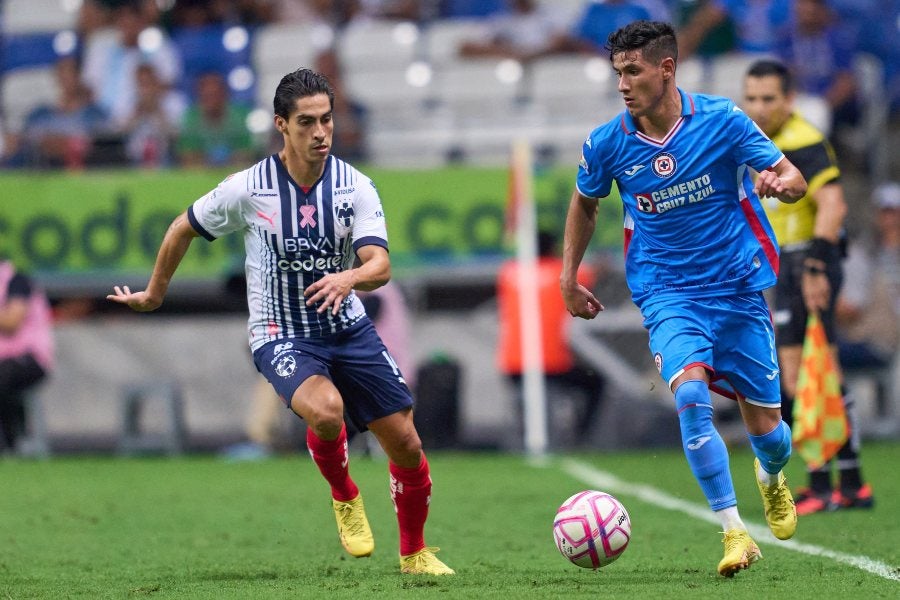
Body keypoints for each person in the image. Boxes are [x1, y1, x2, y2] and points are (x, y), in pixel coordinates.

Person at [107, 68, 454, 575]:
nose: (320, 133)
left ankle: (414, 554)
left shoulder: (355, 187)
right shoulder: (248, 188)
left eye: (327, 121)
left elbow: (380, 266)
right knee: (328, 410)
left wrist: (349, 278)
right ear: (281, 126)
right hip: (280, 332)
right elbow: (182, 227)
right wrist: (155, 294)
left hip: (348, 327)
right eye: (307, 122)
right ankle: (344, 495)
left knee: (406, 442)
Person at [561, 21, 805, 577]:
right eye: (617, 72)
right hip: (669, 294)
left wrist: (781, 183)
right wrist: (568, 278)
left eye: (633, 70)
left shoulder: (721, 120)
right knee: (691, 395)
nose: (622, 84)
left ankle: (772, 479)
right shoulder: (607, 143)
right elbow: (585, 202)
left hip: (738, 290)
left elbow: (791, 177)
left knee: (770, 432)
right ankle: (735, 533)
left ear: (665, 68)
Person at [743, 58, 873, 515]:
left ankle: (842, 482)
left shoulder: (803, 141)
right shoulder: (759, 141)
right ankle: (835, 481)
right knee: (807, 374)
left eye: (768, 98)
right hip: (788, 265)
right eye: (752, 98)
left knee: (813, 372)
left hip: (809, 260)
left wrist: (816, 265)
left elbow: (832, 205)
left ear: (789, 100)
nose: (758, 107)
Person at [496, 230, 605, 448]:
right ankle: (580, 437)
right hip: (553, 362)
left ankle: (526, 439)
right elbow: (595, 273)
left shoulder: (508, 273)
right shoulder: (563, 273)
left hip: (513, 362)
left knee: (527, 407)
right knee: (596, 383)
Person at [0, 261, 55, 453]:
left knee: (3, 375)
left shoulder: (16, 280)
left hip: (29, 358)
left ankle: (12, 440)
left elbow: (12, 321)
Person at [176, 71, 257, 168]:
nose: (211, 101)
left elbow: (247, 155)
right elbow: (188, 158)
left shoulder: (240, 117)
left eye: (215, 95)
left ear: (225, 95)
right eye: (206, 96)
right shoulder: (190, 119)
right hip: (201, 175)